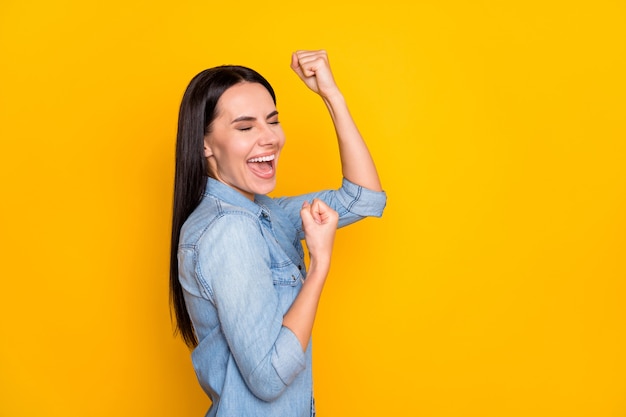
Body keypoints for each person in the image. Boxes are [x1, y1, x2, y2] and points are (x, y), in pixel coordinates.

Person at [169, 50, 386, 417]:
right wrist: (320, 266)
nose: (270, 138)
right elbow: (268, 378)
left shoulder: (264, 213)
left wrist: (332, 96)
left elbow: (364, 199)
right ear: (204, 144)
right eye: (245, 127)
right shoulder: (229, 230)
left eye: (273, 121)